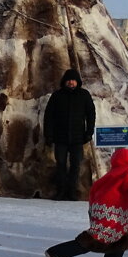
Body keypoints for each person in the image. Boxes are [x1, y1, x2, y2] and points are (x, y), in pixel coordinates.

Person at [45, 148, 128, 257]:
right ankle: (56, 253)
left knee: (122, 233)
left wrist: (93, 212)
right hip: (114, 211)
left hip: (103, 209)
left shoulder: (111, 174)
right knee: (96, 238)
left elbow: (94, 190)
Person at [42, 68, 95, 200]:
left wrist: (89, 132)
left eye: (73, 80)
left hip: (78, 138)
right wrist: (48, 135)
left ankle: (72, 191)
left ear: (77, 82)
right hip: (60, 137)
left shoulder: (84, 95)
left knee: (75, 165)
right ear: (64, 82)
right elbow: (49, 116)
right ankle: (61, 191)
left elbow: (91, 114)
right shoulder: (57, 96)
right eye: (69, 80)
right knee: (60, 165)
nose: (71, 83)